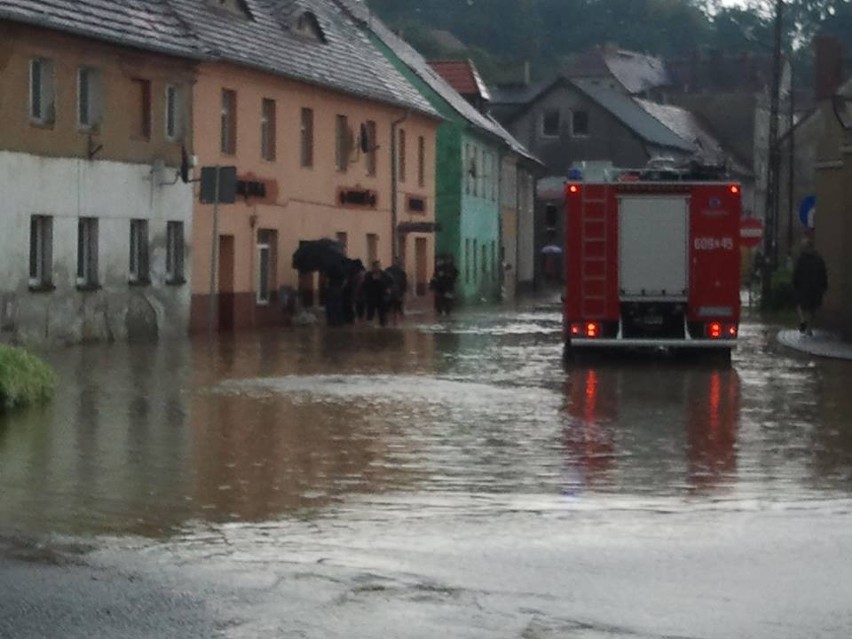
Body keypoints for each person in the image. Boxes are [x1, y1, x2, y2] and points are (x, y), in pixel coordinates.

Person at [792, 233, 828, 336]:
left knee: (799, 305)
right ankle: (809, 328)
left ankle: (803, 320)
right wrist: (824, 286)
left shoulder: (801, 259)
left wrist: (795, 283)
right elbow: (823, 273)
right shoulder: (819, 259)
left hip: (803, 288)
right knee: (813, 309)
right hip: (816, 288)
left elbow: (797, 273)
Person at [362, 260, 393, 326]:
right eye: (375, 266)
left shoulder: (384, 274)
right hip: (371, 297)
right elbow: (365, 285)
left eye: (378, 266)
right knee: (370, 312)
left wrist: (388, 289)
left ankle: (383, 325)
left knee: (382, 313)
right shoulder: (368, 275)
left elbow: (390, 283)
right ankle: (369, 325)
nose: (377, 268)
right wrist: (372, 280)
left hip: (381, 297)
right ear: (373, 267)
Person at [385, 258, 408, 324]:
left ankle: (392, 322)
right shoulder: (401, 272)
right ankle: (395, 322)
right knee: (395, 308)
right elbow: (404, 284)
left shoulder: (388, 270)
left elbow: (404, 284)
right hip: (395, 293)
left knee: (392, 308)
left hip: (393, 293)